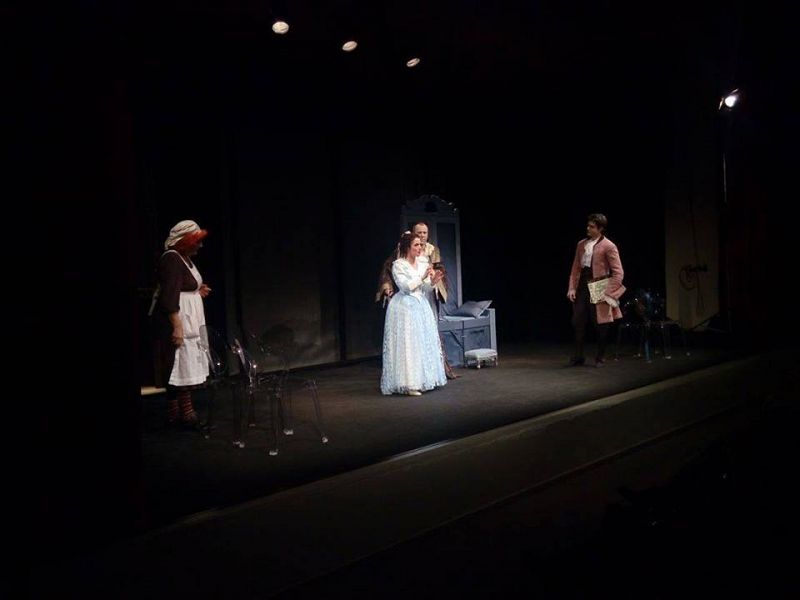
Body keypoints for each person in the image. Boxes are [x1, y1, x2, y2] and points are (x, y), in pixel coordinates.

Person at [152, 220, 212, 425]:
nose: (200, 246)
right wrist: (177, 327)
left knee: (185, 362)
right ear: (186, 242)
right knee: (179, 364)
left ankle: (179, 413)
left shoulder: (183, 258)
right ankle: (182, 413)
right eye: (197, 241)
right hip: (179, 319)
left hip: (190, 318)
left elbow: (182, 286)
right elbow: (169, 296)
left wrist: (196, 291)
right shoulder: (172, 259)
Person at [381, 231, 447, 395]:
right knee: (408, 344)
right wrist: (422, 276)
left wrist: (432, 281)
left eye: (420, 245)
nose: (419, 248)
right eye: (416, 245)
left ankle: (423, 379)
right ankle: (409, 384)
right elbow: (405, 287)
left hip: (420, 304)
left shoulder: (423, 262)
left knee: (421, 342)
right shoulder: (399, 265)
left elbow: (424, 288)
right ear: (407, 247)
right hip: (405, 307)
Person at [566, 213, 626, 367]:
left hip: (599, 285)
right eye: (588, 225)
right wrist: (572, 288)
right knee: (577, 321)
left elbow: (618, 273)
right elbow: (575, 268)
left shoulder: (609, 246)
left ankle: (600, 357)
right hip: (582, 286)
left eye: (591, 226)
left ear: (600, 229)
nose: (588, 228)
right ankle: (578, 356)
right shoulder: (581, 244)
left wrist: (608, 291)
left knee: (601, 323)